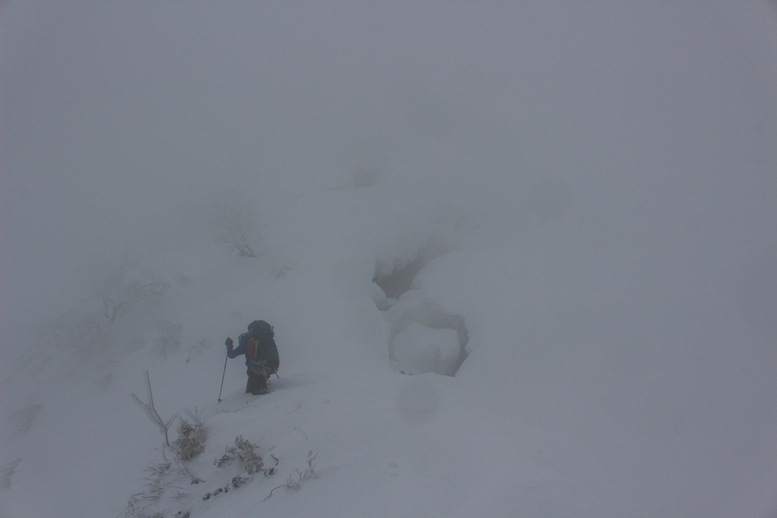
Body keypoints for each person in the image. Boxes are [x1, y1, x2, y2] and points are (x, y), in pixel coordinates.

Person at [225, 320, 279, 395]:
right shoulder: (267, 337)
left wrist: (229, 346)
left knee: (251, 393)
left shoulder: (247, 340)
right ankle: (264, 387)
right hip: (274, 364)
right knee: (259, 379)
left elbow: (232, 355)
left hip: (258, 367)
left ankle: (265, 396)